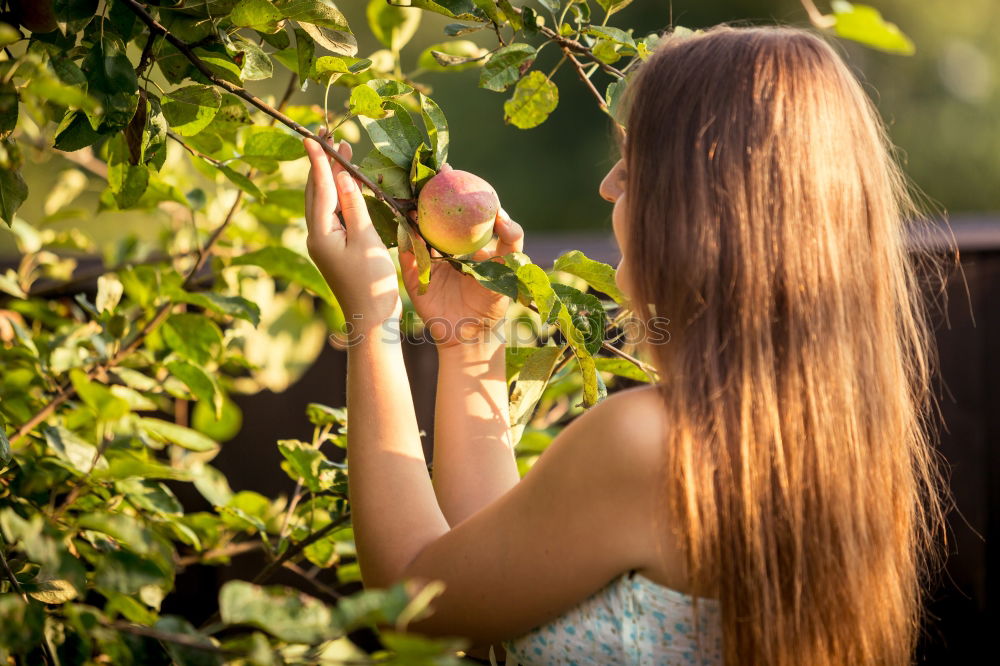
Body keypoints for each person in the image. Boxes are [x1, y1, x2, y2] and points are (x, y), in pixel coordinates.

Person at [301, 24, 949, 666]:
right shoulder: (827, 436)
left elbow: (414, 603)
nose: (611, 185)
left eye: (636, 161)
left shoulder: (649, 442)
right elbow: (490, 577)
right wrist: (471, 343)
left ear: (705, 199)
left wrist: (373, 318)